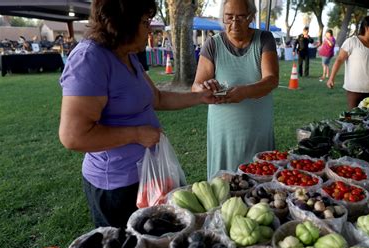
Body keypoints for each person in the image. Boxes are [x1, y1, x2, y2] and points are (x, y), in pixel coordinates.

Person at [58, 0, 216, 228]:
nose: (149, 29)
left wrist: (200, 97)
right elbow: (73, 136)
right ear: (122, 23)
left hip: (149, 176)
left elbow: (157, 99)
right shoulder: (90, 59)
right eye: (144, 22)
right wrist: (136, 134)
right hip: (116, 187)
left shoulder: (128, 54)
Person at [191, 0, 279, 179]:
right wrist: (205, 87)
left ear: (251, 17)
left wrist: (245, 92)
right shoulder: (213, 44)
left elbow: (271, 80)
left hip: (257, 131)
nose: (234, 23)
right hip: (223, 134)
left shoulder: (264, 39)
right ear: (222, 18)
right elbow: (196, 86)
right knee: (223, 187)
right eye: (229, 17)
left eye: (241, 17)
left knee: (260, 185)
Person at [327, 15, 369, 110]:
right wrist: (331, 78)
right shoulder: (352, 42)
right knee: (355, 119)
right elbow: (339, 60)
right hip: (355, 91)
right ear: (367, 27)